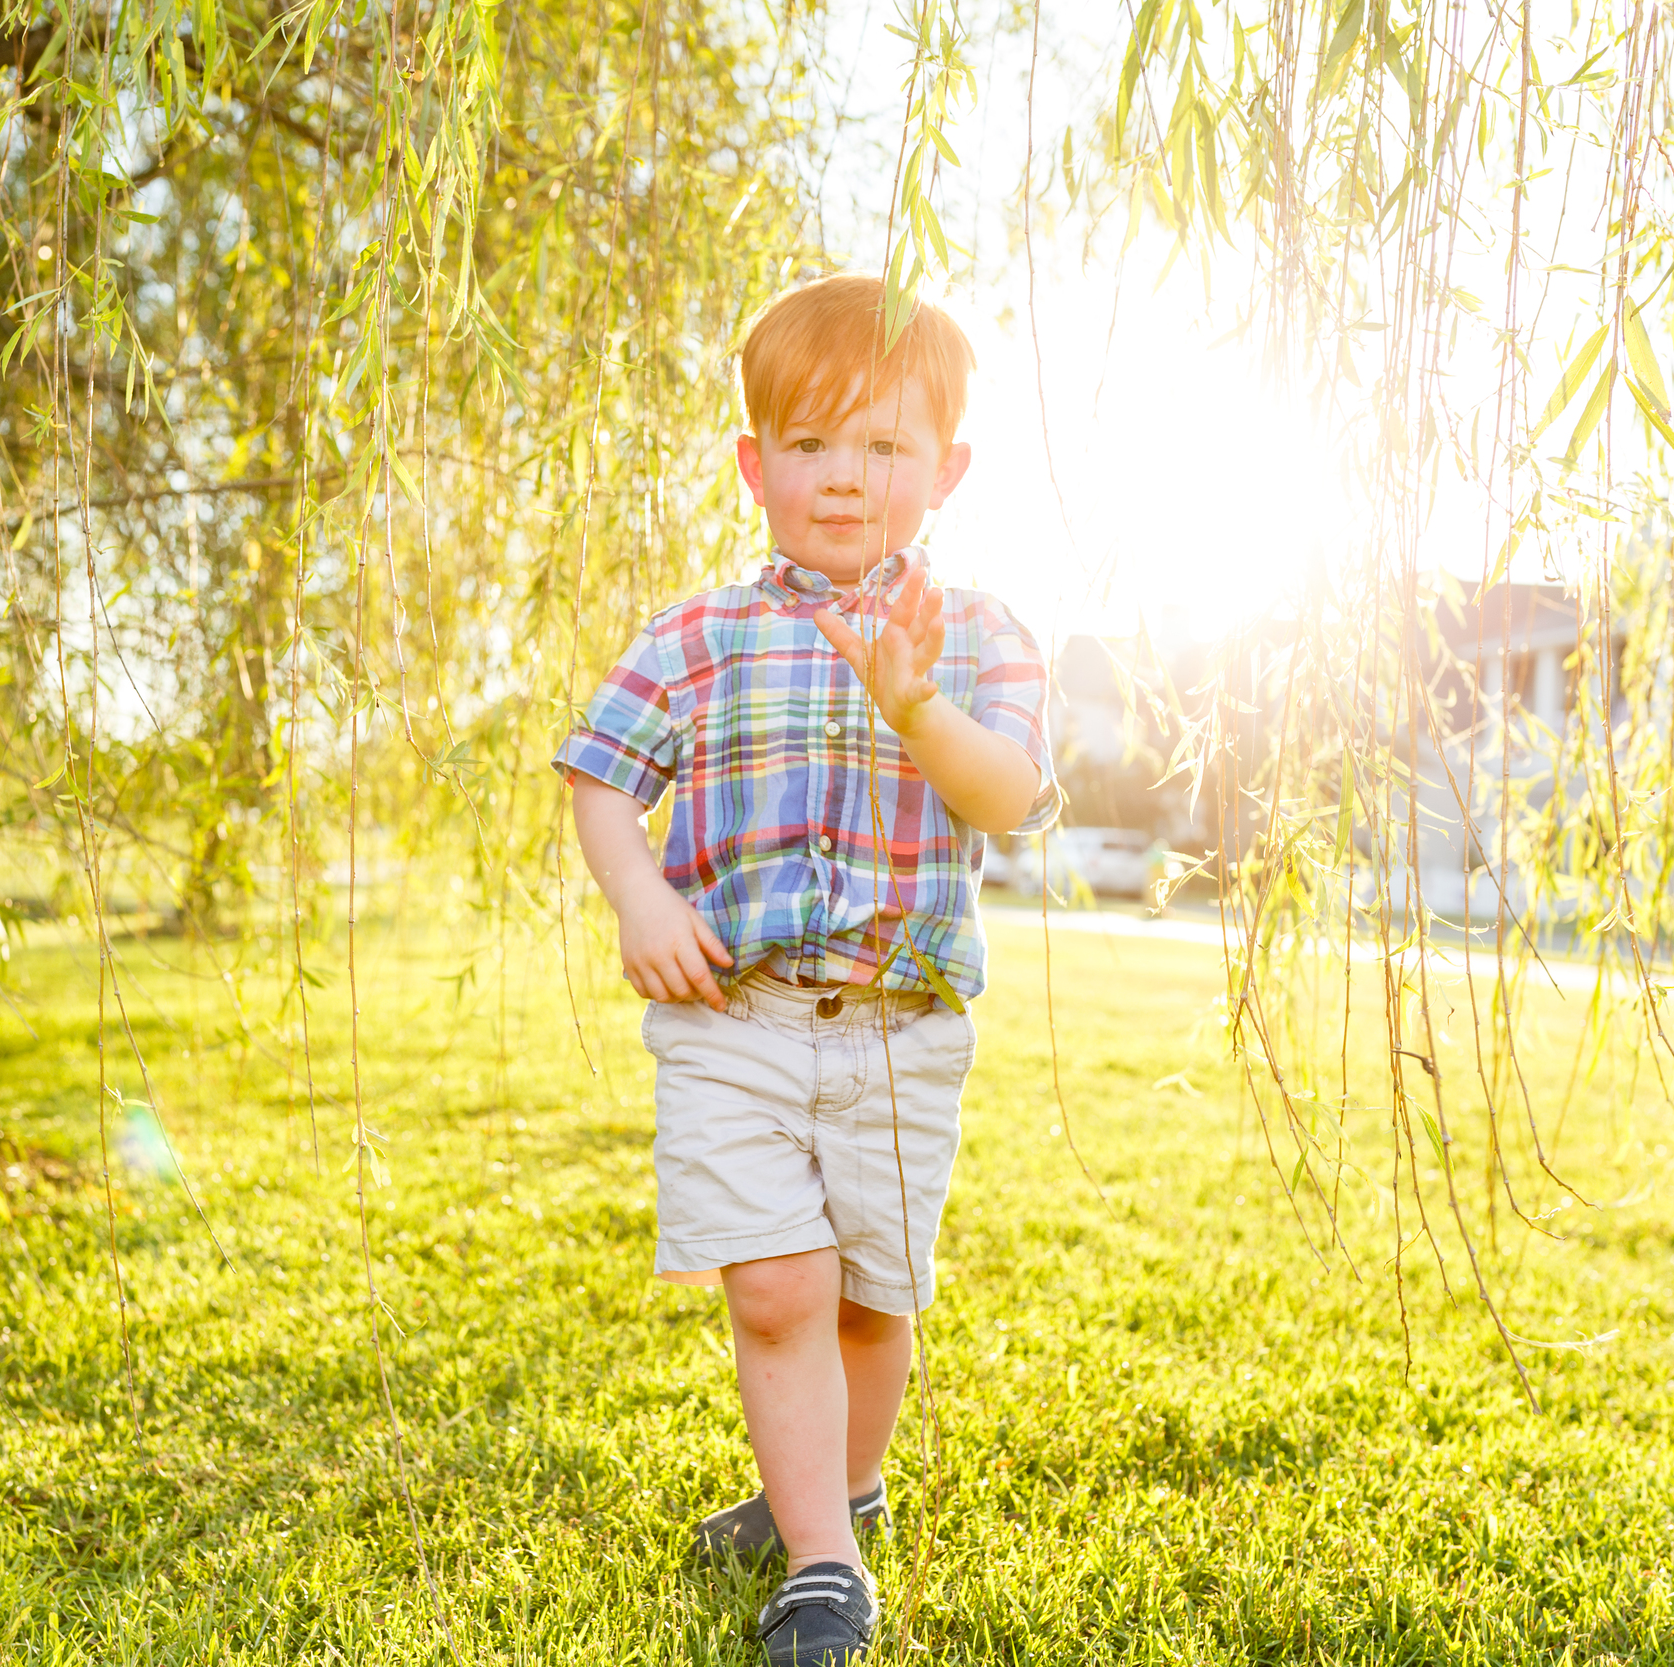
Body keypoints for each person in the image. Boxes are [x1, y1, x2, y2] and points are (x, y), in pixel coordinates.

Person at [554, 272, 1059, 1666]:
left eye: (885, 447)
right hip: (738, 1018)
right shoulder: (698, 638)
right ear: (753, 462)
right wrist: (640, 898)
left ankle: (837, 1491)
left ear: (945, 470)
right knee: (777, 1286)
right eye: (812, 444)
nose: (846, 479)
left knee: (872, 1295)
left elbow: (1007, 794)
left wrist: (915, 704)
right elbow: (600, 778)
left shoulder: (984, 635)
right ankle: (828, 1568)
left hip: (902, 1027)